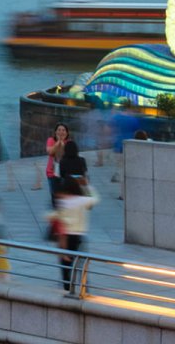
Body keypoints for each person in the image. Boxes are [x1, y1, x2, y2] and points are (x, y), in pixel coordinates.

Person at [51, 162, 98, 291]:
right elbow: (95, 199)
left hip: (66, 237)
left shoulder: (63, 201)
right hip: (80, 236)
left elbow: (55, 217)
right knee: (82, 265)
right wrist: (86, 185)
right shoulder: (81, 200)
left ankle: (68, 289)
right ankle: (84, 289)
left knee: (66, 265)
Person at [44, 123, 71, 195]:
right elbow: (50, 152)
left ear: (67, 133)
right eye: (59, 130)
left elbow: (65, 155)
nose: (61, 132)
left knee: (64, 195)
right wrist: (58, 142)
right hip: (52, 173)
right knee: (54, 195)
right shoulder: (51, 140)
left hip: (65, 174)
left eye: (63, 130)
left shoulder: (69, 143)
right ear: (55, 132)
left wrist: (62, 143)